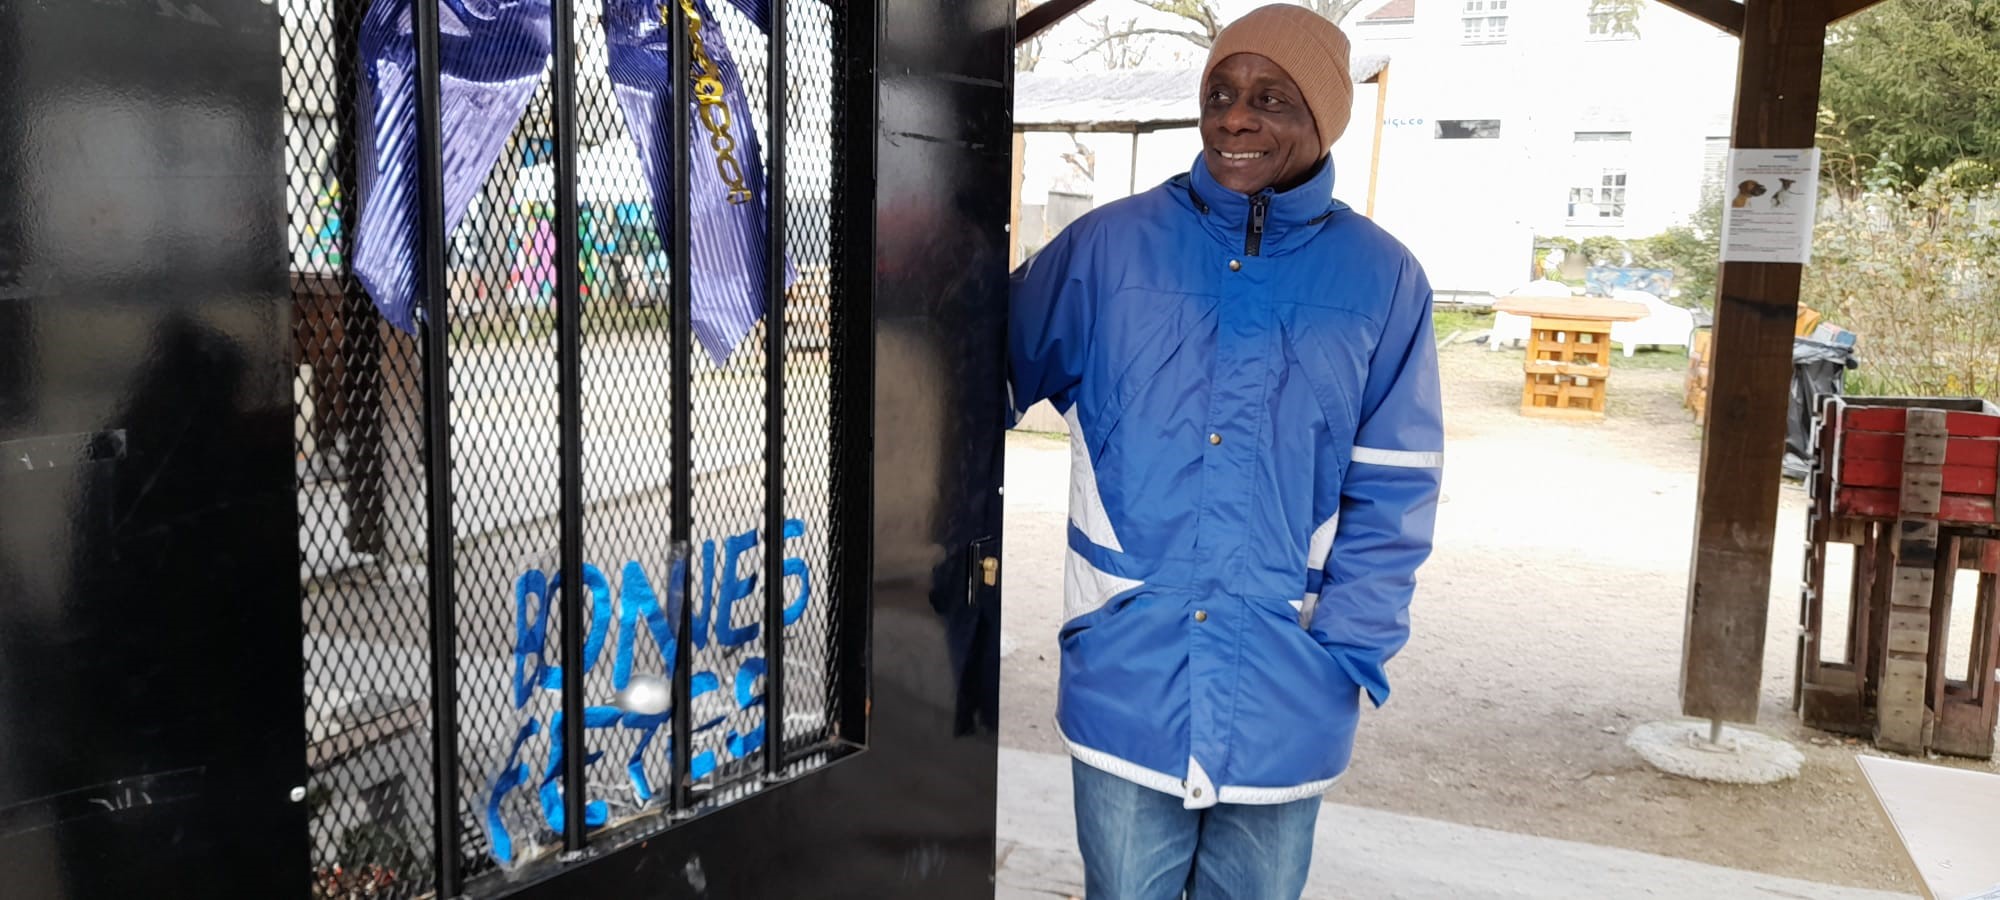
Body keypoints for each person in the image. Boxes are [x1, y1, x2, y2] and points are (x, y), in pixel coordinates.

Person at [1007, 5, 1444, 898]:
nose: (1236, 118)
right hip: (1132, 662)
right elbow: (964, 371)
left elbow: (1397, 487)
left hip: (1288, 680)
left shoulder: (1382, 278)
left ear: (1324, 120)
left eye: (1271, 98)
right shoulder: (1108, 248)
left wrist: (1347, 651)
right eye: (1220, 93)